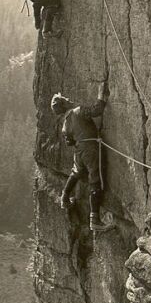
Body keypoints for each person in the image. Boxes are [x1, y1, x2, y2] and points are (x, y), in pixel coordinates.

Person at [51, 82, 114, 233]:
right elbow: (97, 110)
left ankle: (65, 198)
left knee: (77, 172)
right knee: (95, 180)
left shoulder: (65, 124)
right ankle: (95, 220)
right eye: (66, 99)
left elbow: (69, 142)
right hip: (90, 150)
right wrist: (101, 95)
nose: (69, 99)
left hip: (79, 151)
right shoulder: (78, 111)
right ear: (65, 104)